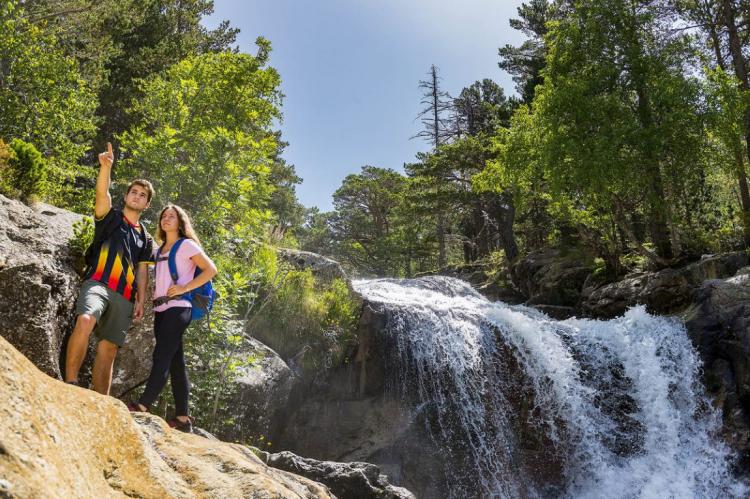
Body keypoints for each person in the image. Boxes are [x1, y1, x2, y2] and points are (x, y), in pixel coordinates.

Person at [65, 143, 155, 394]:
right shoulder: (111, 217)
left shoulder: (146, 238)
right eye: (133, 192)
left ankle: (101, 403)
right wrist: (106, 167)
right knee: (85, 320)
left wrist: (140, 299)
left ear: (146, 204)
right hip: (98, 283)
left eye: (142, 195)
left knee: (109, 349)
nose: (136, 196)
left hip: (124, 297)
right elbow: (101, 195)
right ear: (126, 196)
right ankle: (69, 385)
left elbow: (143, 271)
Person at [128, 204, 217, 433]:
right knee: (176, 362)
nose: (166, 219)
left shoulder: (187, 245)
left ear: (180, 222)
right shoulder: (158, 251)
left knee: (162, 355)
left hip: (179, 308)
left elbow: (210, 270)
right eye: (164, 216)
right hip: (161, 311)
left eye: (171, 216)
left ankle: (143, 404)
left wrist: (185, 286)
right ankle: (183, 418)